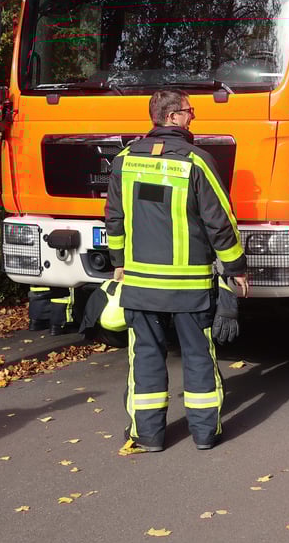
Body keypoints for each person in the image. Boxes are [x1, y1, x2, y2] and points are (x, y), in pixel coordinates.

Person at [105, 89, 248, 452]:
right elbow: (220, 222)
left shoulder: (124, 160)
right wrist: (235, 269)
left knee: (145, 359)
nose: (192, 117)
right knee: (199, 356)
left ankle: (148, 435)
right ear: (171, 117)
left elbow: (115, 219)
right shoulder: (196, 161)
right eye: (189, 112)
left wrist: (118, 264)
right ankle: (204, 433)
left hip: (139, 285)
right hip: (189, 286)